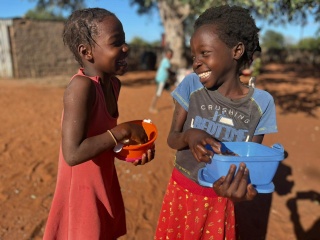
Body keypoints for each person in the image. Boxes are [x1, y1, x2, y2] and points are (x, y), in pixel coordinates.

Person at [154, 5, 278, 240]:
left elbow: (248, 165)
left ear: (236, 51)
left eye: (204, 53)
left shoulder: (260, 105)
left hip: (220, 204)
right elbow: (172, 138)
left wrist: (239, 192)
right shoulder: (191, 86)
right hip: (181, 191)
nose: (196, 63)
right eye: (193, 56)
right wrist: (190, 136)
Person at [43, 8, 154, 240]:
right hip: (82, 191)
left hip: (103, 180)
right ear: (87, 52)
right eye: (116, 43)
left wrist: (129, 151)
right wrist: (123, 130)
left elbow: (101, 138)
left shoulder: (113, 85)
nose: (126, 48)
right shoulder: (81, 88)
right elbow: (73, 153)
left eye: (124, 40)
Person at [149, 48, 174, 113]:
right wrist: (174, 74)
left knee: (172, 92)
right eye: (169, 54)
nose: (170, 56)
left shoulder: (166, 61)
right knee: (157, 94)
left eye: (171, 55)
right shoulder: (166, 61)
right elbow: (168, 70)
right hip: (161, 80)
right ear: (166, 55)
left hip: (164, 80)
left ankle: (174, 107)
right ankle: (151, 108)